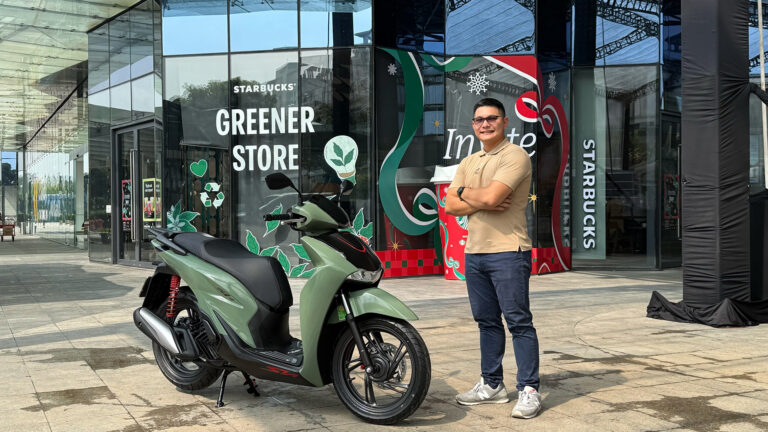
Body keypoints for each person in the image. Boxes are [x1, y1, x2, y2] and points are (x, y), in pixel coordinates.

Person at [445, 97, 541, 419]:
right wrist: (473, 197)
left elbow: (492, 196)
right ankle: (492, 385)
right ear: (473, 125)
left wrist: (466, 194)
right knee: (486, 322)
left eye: (491, 118)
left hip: (508, 252)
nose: (485, 124)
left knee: (519, 322)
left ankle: (529, 389)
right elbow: (449, 204)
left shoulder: (515, 156)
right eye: (479, 119)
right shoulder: (469, 161)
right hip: (474, 253)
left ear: (504, 122)